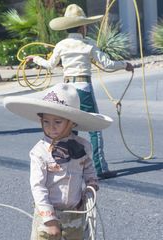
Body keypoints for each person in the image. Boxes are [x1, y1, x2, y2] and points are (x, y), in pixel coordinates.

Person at [4, 83, 113, 240]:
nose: (51, 128)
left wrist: (91, 188)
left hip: (75, 215)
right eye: (47, 122)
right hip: (48, 218)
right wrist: (49, 219)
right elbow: (38, 187)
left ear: (71, 123)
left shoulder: (83, 146)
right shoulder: (39, 152)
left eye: (58, 122)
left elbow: (89, 172)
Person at [26, 3, 134, 179]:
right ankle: (100, 168)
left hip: (67, 89)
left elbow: (50, 65)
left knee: (68, 128)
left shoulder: (61, 44)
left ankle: (64, 164)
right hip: (83, 87)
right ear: (83, 26)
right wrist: (125, 65)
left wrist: (35, 59)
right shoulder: (88, 44)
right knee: (94, 128)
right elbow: (107, 65)